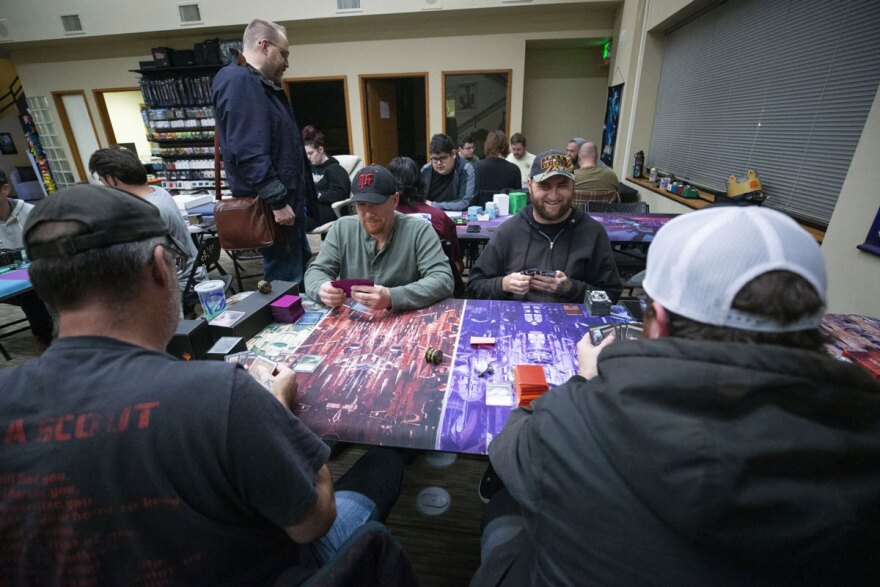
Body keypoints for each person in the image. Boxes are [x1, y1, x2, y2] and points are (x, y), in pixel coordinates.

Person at [0, 184, 407, 585]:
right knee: (384, 462)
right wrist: (279, 412)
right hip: (282, 565)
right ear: (160, 268)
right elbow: (314, 522)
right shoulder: (222, 395)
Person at [473, 205, 880, 586]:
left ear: (659, 320)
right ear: (818, 329)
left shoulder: (575, 417)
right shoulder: (864, 440)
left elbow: (512, 446)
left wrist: (585, 380)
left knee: (509, 511)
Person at [212, 19, 317, 284]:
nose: (287, 62)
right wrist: (277, 201)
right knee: (286, 282)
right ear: (264, 45)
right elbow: (247, 150)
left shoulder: (257, 84)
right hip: (274, 208)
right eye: (284, 53)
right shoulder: (239, 81)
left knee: (298, 273)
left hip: (285, 204)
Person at [467, 151, 622, 303]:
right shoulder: (508, 231)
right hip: (516, 323)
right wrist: (503, 285)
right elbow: (474, 286)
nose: (553, 196)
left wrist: (572, 289)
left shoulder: (593, 233)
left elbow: (611, 295)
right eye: (544, 186)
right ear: (529, 185)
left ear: (573, 186)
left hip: (573, 326)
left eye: (562, 185)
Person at [305, 164, 454, 311]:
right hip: (356, 322)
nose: (368, 214)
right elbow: (316, 271)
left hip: (403, 320)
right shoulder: (342, 228)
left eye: (375, 204)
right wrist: (322, 288)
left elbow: (443, 279)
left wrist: (392, 297)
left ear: (394, 201)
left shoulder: (419, 230)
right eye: (361, 204)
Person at [88, 146, 205, 290]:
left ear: (111, 180)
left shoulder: (147, 210)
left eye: (102, 181)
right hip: (189, 274)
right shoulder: (157, 192)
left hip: (180, 283)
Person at [388, 156, 465, 297]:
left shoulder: (384, 218)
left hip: (392, 290)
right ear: (420, 182)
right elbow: (457, 262)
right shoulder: (440, 217)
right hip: (436, 292)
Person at [0, 167, 53, 349]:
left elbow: (51, 247)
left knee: (30, 294)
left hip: (36, 277)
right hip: (5, 283)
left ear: (5, 189)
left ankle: (43, 339)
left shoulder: (31, 212)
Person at [303, 129, 351, 230]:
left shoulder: (335, 169)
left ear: (320, 150)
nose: (308, 157)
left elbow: (339, 193)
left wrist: (316, 196)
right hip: (312, 209)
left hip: (328, 210)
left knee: (296, 223)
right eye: (306, 154)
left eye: (311, 153)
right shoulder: (311, 168)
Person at [420, 133, 476, 211]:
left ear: (453, 154)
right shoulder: (425, 170)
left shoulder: (466, 169)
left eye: (443, 158)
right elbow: (418, 199)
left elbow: (465, 202)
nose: (439, 163)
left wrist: (434, 205)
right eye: (435, 159)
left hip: (457, 218)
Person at [473, 130, 522, 206]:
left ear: (487, 145)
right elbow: (518, 199)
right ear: (505, 146)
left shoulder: (475, 167)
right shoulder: (514, 169)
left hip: (480, 214)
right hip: (507, 214)